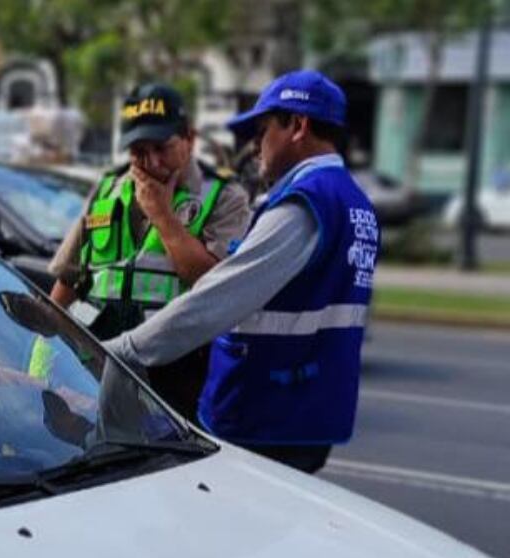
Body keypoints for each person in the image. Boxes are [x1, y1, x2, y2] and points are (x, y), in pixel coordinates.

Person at [104, 70, 380, 474]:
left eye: (263, 129)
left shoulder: (307, 203)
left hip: (267, 415)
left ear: (298, 126)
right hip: (304, 410)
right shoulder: (351, 200)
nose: (254, 146)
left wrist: (128, 349)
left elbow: (220, 295)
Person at [45, 83, 250, 419]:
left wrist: (162, 215)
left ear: (189, 139)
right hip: (97, 365)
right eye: (140, 151)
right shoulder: (109, 187)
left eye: (162, 147)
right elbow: (70, 278)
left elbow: (211, 281)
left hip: (173, 376)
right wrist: (43, 349)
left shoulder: (224, 196)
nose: (153, 162)